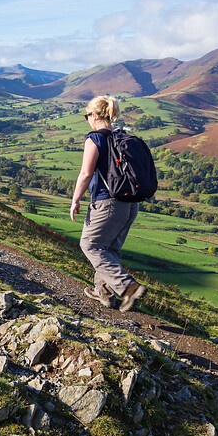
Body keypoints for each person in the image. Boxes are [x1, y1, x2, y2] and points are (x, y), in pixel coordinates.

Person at [70, 95, 147, 312]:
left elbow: (86, 173)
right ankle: (104, 294)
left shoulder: (95, 138)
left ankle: (129, 288)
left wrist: (76, 199)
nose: (87, 119)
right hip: (130, 204)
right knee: (109, 248)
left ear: (94, 115)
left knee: (90, 245)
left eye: (87, 115)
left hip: (107, 203)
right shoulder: (121, 137)